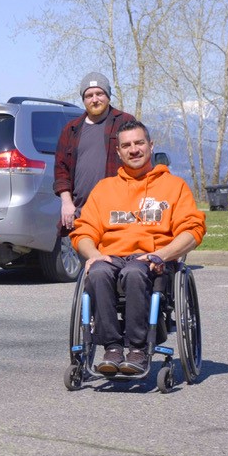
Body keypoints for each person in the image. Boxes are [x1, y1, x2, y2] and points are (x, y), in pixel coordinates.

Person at [71, 120, 206, 375]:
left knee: (134, 272)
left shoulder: (174, 186)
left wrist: (162, 255)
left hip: (153, 260)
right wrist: (93, 254)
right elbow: (84, 231)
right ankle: (112, 348)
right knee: (97, 272)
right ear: (119, 152)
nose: (134, 150)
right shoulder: (104, 189)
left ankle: (138, 349)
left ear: (150, 146)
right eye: (127, 145)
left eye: (139, 143)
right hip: (111, 257)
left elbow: (192, 230)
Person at [54, 72, 138, 232]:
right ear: (83, 100)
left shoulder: (125, 122)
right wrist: (67, 203)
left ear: (108, 96)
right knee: (79, 249)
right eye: (89, 95)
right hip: (80, 213)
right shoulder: (71, 129)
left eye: (99, 94)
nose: (94, 99)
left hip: (118, 213)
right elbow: (61, 170)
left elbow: (139, 162)